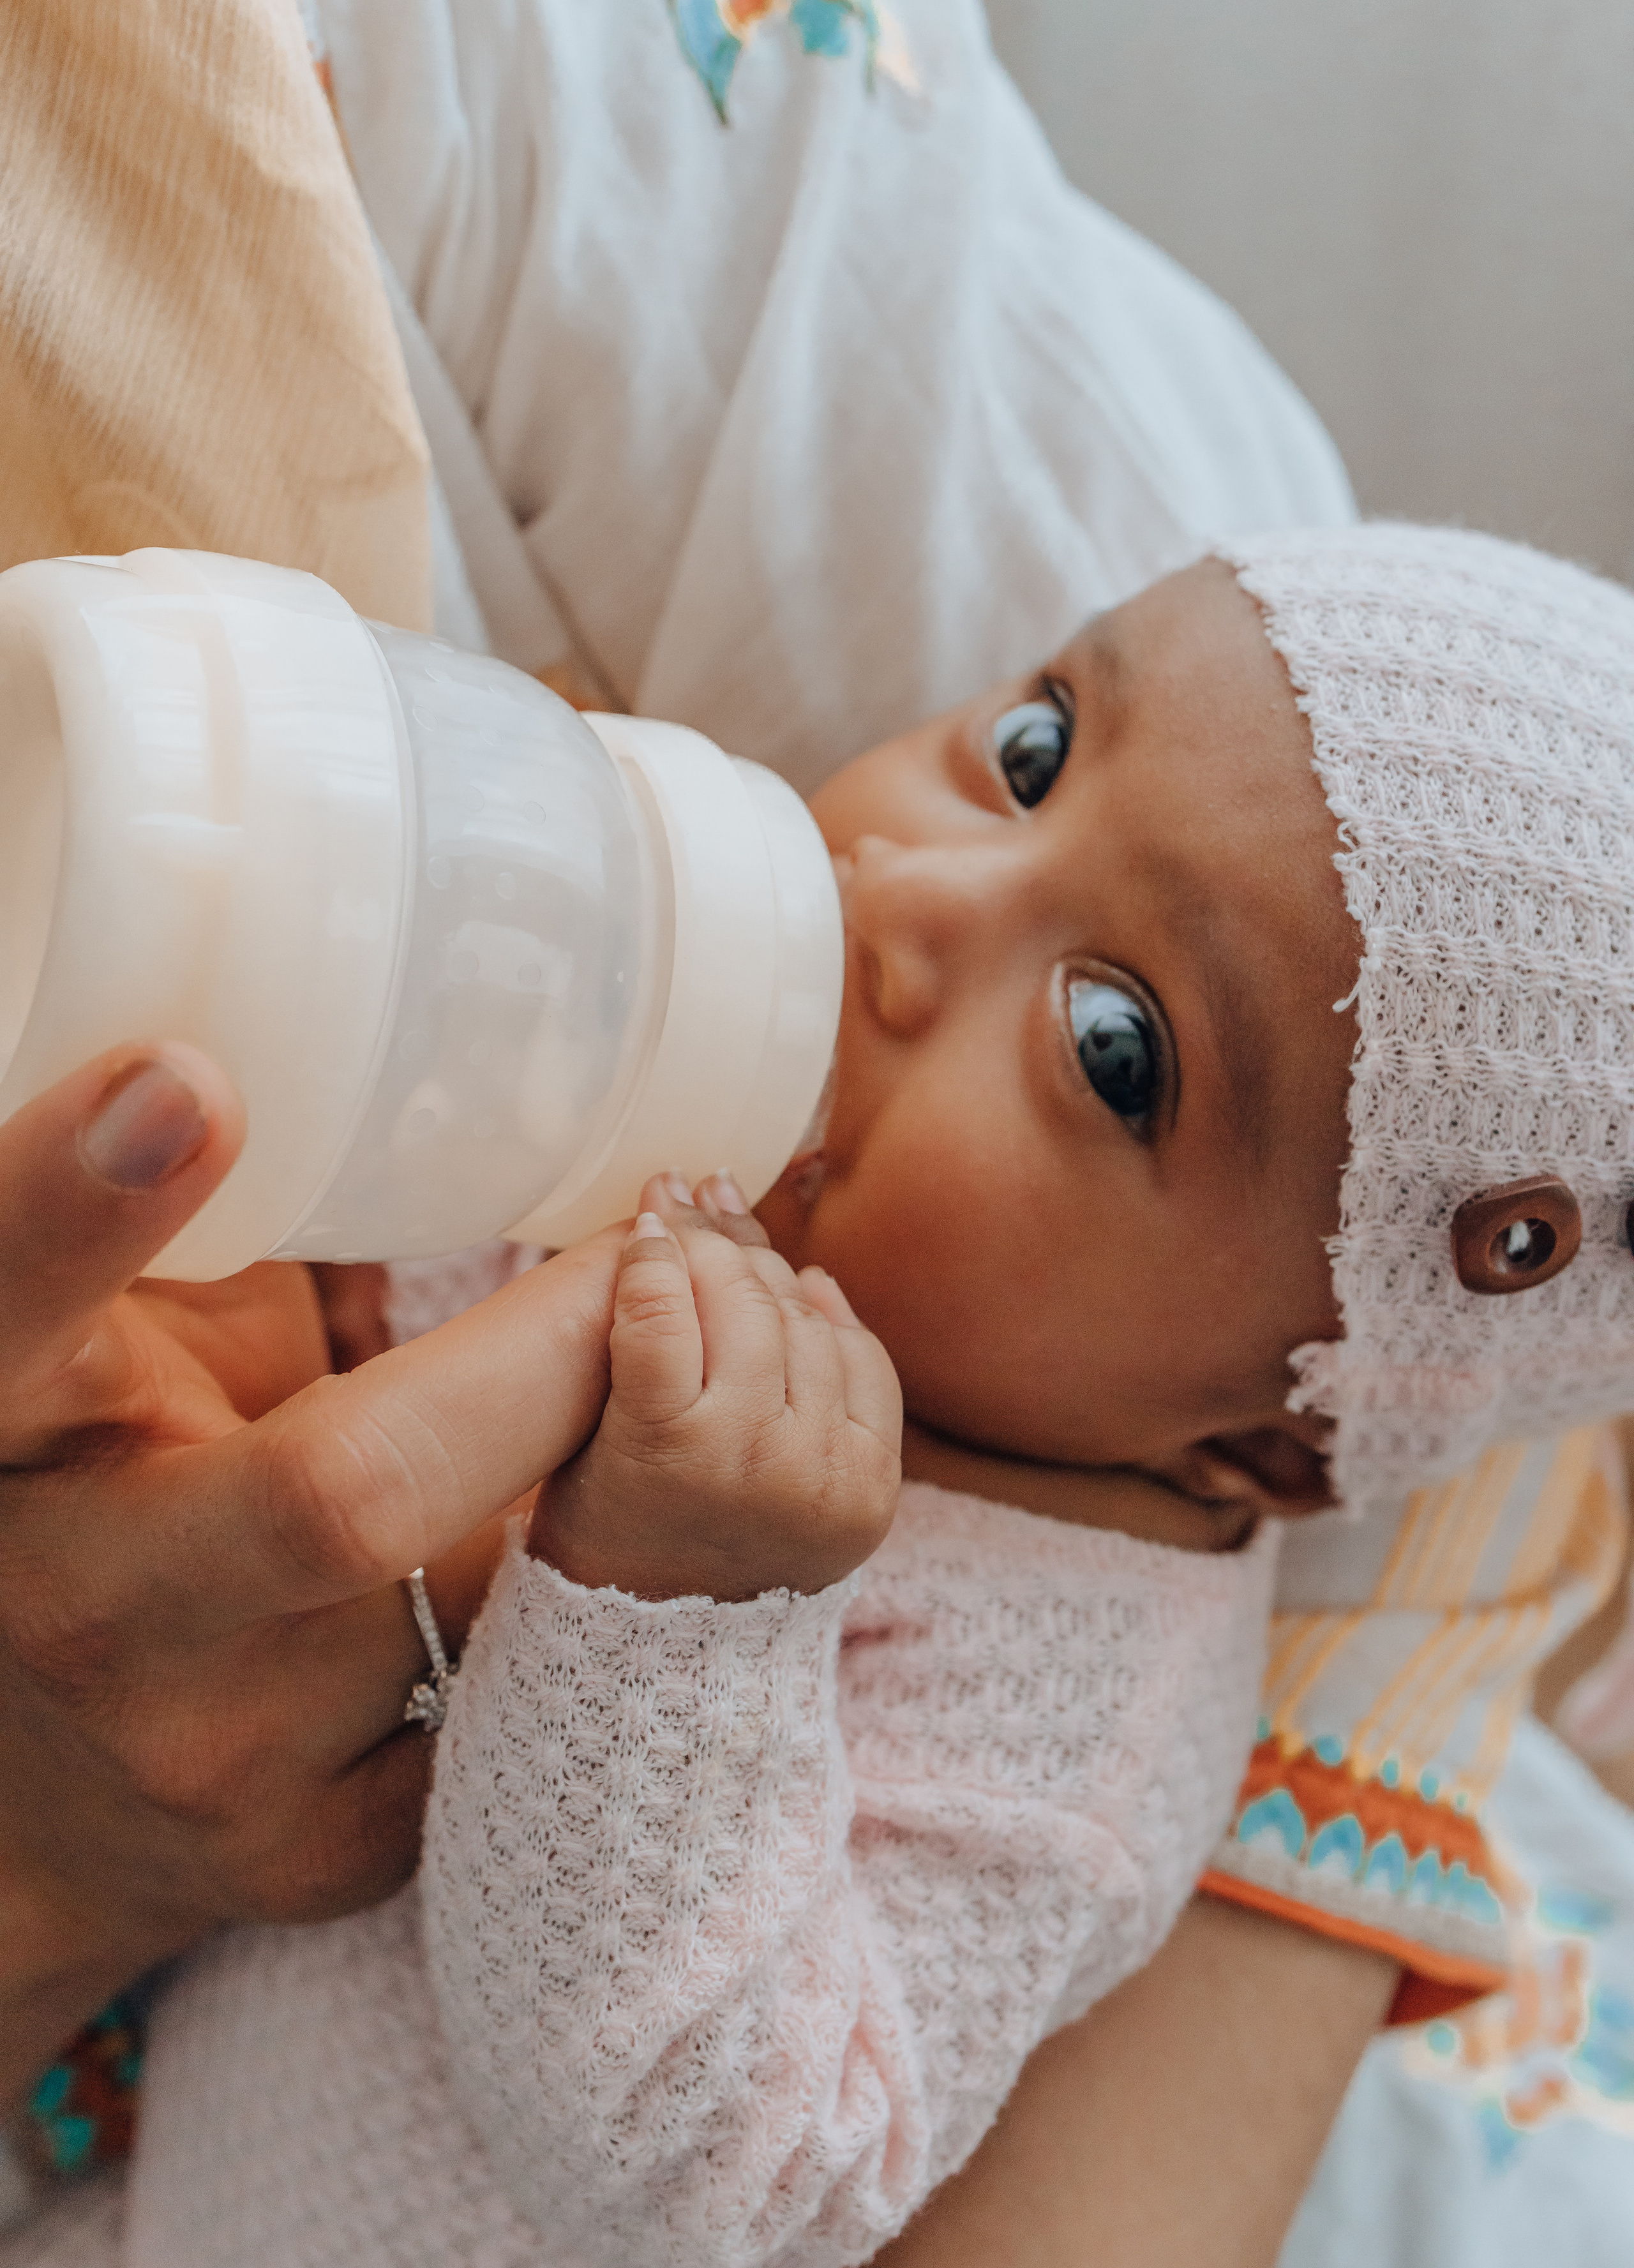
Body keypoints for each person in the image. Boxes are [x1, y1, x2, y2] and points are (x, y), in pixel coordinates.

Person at [20, 523, 1628, 2268]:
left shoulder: (1077, 1697)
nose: (910, 899)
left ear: (1266, 1429)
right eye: (1035, 755)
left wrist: (685, 1616)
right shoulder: (710, 1181)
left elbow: (725, 2180)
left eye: (1118, 1048)